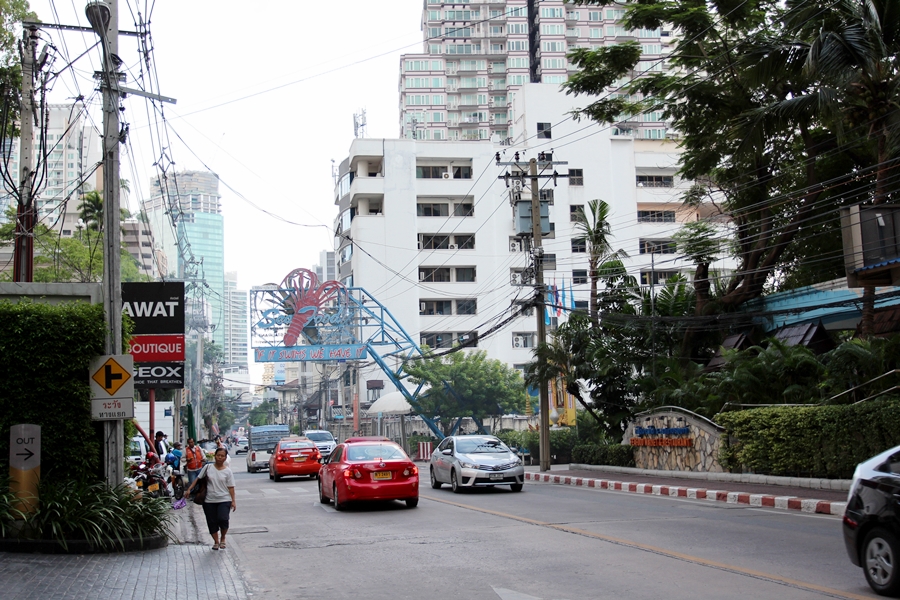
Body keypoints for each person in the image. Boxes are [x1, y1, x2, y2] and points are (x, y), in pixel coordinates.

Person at [185, 447, 235, 551]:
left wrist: (233, 501)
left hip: (224, 499)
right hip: (209, 500)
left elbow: (231, 487)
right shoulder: (208, 468)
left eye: (222, 456)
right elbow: (198, 479)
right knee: (211, 522)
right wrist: (189, 489)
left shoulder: (228, 471)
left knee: (223, 519)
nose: (220, 457)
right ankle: (216, 541)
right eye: (218, 455)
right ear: (215, 456)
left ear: (225, 458)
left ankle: (223, 538)